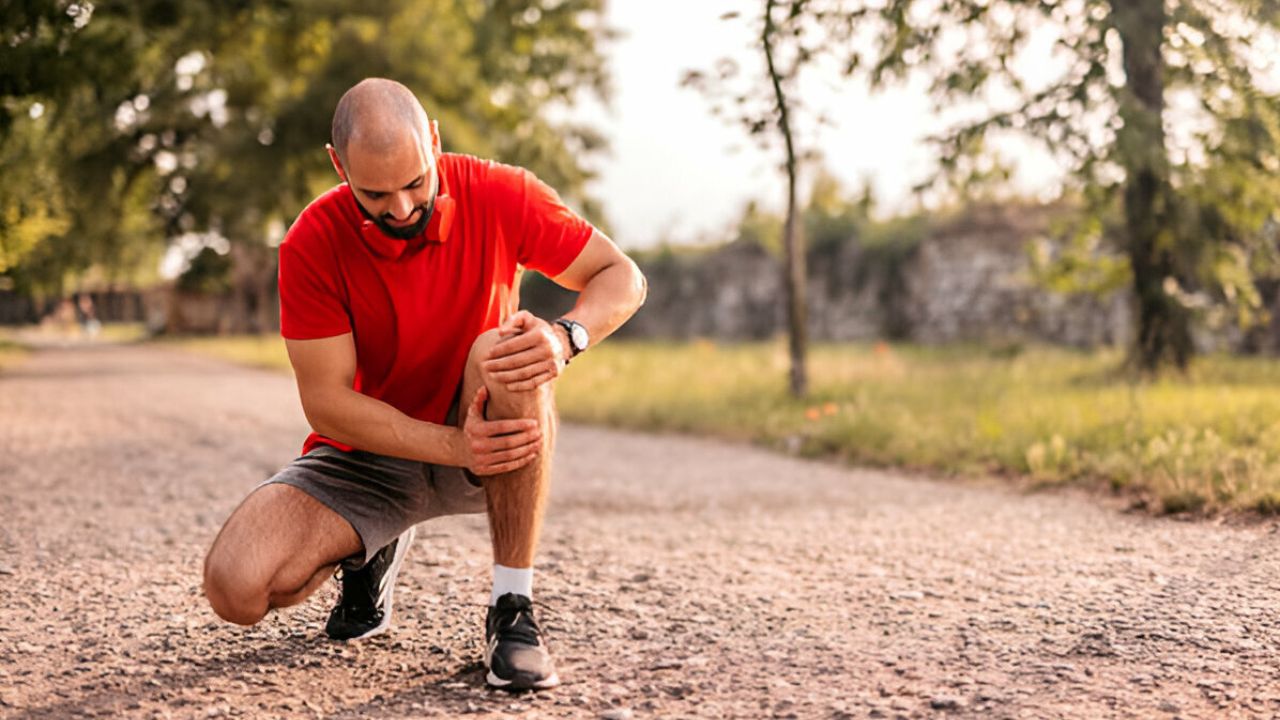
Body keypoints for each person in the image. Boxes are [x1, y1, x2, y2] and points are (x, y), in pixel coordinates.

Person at [201, 77, 646, 691]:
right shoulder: (311, 241)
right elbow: (327, 403)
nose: (403, 209)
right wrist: (448, 447)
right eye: (376, 193)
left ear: (433, 140)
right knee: (237, 588)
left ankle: (512, 610)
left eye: (416, 182)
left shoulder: (501, 191)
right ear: (338, 166)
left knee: (509, 347)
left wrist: (565, 336)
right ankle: (367, 551)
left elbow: (621, 276)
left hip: (486, 428)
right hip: (371, 459)